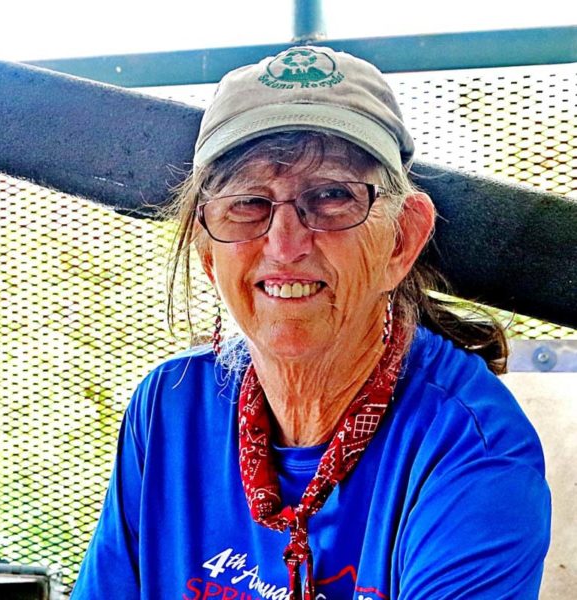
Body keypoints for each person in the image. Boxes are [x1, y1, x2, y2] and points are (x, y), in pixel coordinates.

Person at [70, 46, 551, 600]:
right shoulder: (168, 409)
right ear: (208, 254)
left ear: (401, 241)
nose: (285, 244)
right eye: (248, 203)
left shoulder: (469, 450)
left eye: (331, 197)